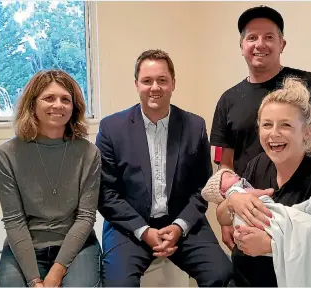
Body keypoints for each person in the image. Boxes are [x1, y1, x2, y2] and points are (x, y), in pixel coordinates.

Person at [210, 5, 311, 250]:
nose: (260, 44)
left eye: (269, 37)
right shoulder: (228, 100)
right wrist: (229, 217)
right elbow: (226, 166)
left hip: (301, 215)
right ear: (241, 46)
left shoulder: (310, 85)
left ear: (282, 44)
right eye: (252, 37)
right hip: (252, 217)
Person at [96, 49, 233, 287]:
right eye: (147, 81)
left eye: (162, 80)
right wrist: (144, 231)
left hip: (181, 221)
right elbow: (106, 193)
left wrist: (180, 227)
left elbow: (202, 187)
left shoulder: (194, 125)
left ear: (173, 84)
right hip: (129, 225)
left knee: (223, 274)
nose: (155, 87)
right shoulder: (111, 128)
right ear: (136, 84)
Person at [215, 77, 311, 286]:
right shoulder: (258, 164)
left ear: (307, 133)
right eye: (267, 124)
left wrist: (273, 246)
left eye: (285, 125)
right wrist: (233, 201)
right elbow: (222, 217)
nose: (274, 133)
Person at [0, 70, 102, 287]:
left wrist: (57, 272)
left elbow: (86, 217)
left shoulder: (88, 153)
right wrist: (35, 280)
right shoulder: (7, 154)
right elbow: (14, 220)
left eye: (66, 99)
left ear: (74, 107)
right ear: (32, 104)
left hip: (77, 246)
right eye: (49, 98)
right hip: (27, 247)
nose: (58, 105)